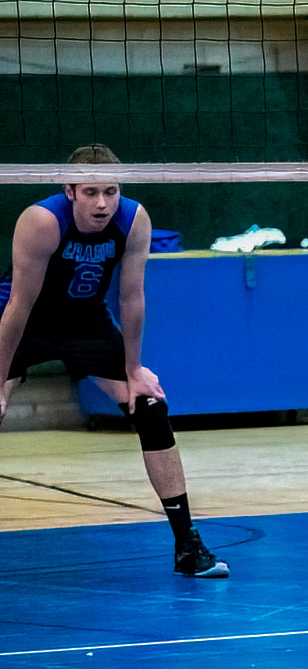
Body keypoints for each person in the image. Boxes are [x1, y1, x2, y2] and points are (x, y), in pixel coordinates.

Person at [0, 145, 227, 578]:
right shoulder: (42, 221)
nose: (102, 203)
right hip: (25, 322)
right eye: (91, 192)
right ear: (69, 191)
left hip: (86, 324)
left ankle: (187, 545)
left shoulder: (133, 219)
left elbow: (131, 297)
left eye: (111, 191)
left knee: (151, 407)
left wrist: (133, 370)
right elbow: (18, 306)